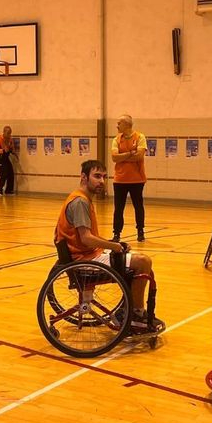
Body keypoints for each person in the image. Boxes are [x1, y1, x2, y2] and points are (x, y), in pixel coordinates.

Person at [55, 159, 164, 332]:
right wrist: (114, 247)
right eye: (97, 176)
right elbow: (86, 238)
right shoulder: (80, 202)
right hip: (84, 260)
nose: (101, 181)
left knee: (135, 260)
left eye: (104, 177)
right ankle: (135, 315)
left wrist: (113, 244)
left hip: (86, 255)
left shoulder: (81, 198)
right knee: (143, 262)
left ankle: (128, 310)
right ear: (83, 177)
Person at [110, 114, 147, 242]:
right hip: (120, 179)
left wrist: (123, 156)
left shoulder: (140, 137)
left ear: (127, 124)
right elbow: (114, 157)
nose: (117, 125)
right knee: (118, 208)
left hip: (137, 179)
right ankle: (116, 233)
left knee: (138, 206)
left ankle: (140, 231)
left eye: (119, 123)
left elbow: (139, 156)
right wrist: (130, 153)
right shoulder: (116, 139)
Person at [0, 125, 17, 195]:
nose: (9, 135)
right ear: (4, 132)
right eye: (8, 133)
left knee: (10, 173)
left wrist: (13, 152)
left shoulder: (10, 139)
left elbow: (11, 148)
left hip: (6, 158)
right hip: (0, 158)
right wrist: (3, 150)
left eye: (10, 133)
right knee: (3, 174)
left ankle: (8, 190)